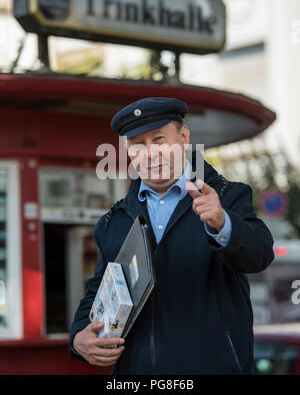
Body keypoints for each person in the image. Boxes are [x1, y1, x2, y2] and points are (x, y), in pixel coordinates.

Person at [69, 97, 274, 374]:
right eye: (139, 144)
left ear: (184, 137)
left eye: (159, 140)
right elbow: (100, 292)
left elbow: (260, 254)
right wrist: (78, 336)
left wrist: (223, 222)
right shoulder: (112, 221)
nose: (151, 153)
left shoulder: (229, 196)